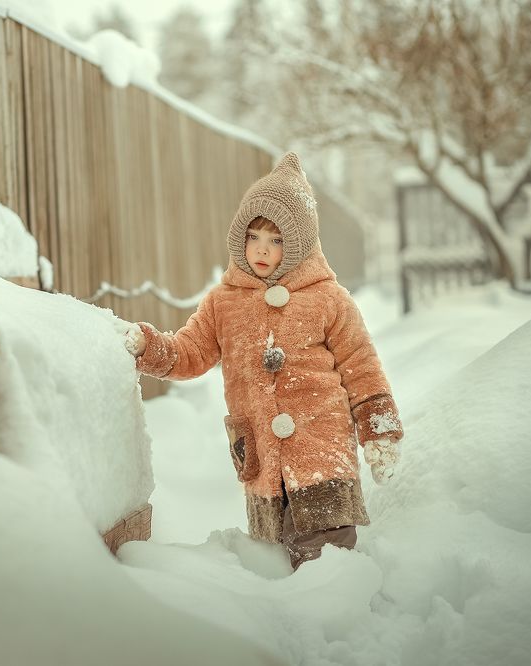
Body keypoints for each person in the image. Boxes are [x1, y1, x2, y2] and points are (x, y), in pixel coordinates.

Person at [124, 152, 403, 569]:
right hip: (263, 455)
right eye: (254, 236)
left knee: (326, 560)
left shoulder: (328, 299)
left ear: (299, 246)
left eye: (277, 240)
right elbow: (191, 351)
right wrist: (151, 349)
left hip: (322, 449)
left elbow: (361, 366)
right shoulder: (224, 302)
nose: (262, 249)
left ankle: (342, 616)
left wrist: (378, 429)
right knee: (275, 561)